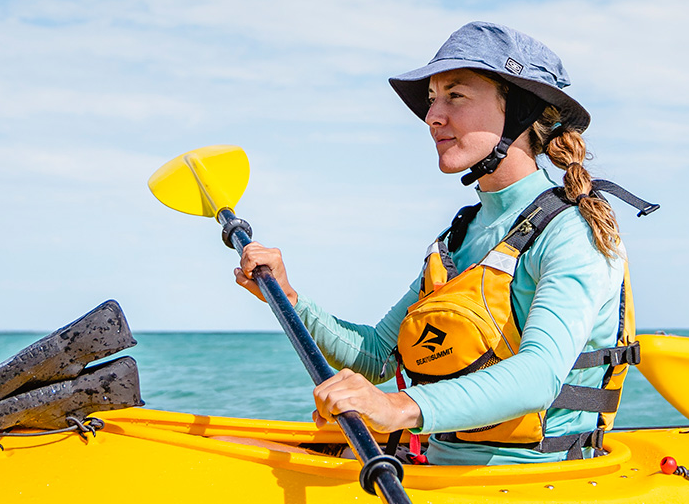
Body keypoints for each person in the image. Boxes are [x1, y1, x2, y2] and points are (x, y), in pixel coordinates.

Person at [233, 23, 651, 465]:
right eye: (433, 99)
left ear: (521, 111)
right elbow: (376, 355)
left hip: (535, 484)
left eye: (456, 95)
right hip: (439, 470)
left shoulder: (571, 232)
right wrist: (290, 300)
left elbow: (538, 376)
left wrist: (396, 407)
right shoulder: (458, 237)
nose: (433, 116)